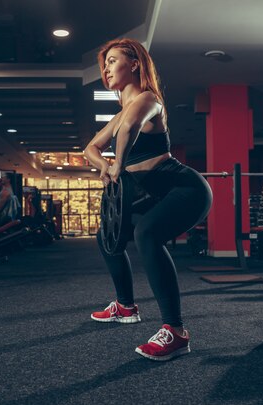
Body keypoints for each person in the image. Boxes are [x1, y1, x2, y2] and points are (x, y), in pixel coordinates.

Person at [83, 38, 213, 361]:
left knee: (147, 233)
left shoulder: (148, 100)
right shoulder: (121, 112)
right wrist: (105, 166)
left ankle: (177, 332)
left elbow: (128, 129)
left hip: (184, 188)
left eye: (113, 61)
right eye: (105, 64)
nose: (106, 69)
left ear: (135, 64)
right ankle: (126, 306)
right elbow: (89, 149)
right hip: (153, 192)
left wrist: (116, 166)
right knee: (107, 236)